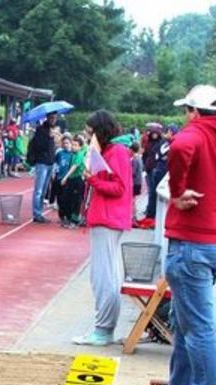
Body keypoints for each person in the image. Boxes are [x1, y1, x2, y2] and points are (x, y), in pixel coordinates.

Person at [145, 85, 216, 385]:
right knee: (185, 322)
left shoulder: (196, 135)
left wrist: (176, 192)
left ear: (194, 112)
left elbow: (181, 145)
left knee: (197, 327)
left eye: (186, 112)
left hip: (191, 243)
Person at [73, 110, 133, 346]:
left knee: (103, 277)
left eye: (90, 132)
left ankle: (103, 329)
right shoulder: (112, 151)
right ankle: (104, 328)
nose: (88, 136)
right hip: (106, 218)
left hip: (108, 219)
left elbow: (119, 187)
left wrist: (93, 179)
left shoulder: (115, 152)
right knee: (105, 275)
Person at [27, 111, 58, 223]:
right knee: (39, 190)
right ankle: (36, 213)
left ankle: (39, 212)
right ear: (47, 118)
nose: (54, 120)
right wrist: (49, 137)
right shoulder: (41, 130)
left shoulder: (54, 130)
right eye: (52, 118)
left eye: (55, 118)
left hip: (50, 162)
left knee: (44, 190)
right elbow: (39, 146)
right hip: (42, 162)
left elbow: (53, 147)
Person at [57, 135, 87, 228]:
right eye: (73, 145)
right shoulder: (73, 154)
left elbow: (74, 167)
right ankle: (68, 218)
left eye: (75, 145)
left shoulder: (80, 154)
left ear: (80, 147)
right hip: (71, 179)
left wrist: (65, 177)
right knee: (65, 199)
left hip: (77, 180)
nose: (73, 147)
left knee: (76, 201)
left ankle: (74, 221)